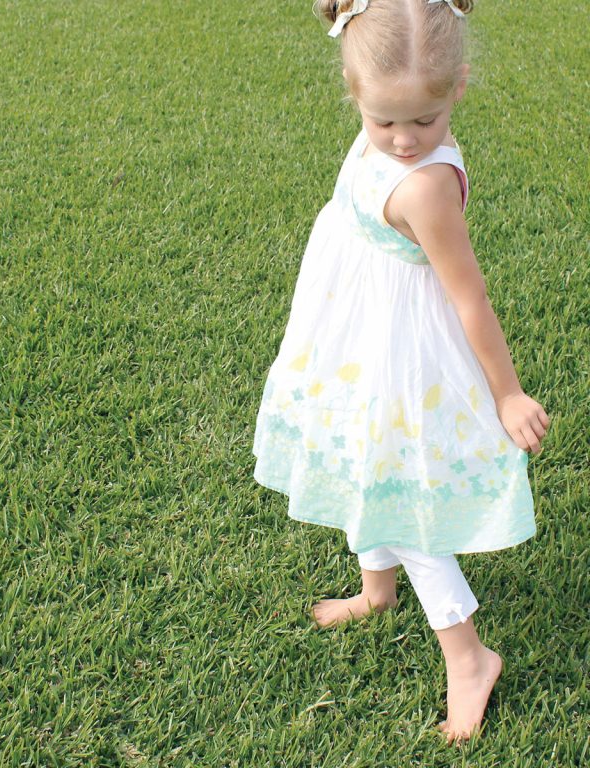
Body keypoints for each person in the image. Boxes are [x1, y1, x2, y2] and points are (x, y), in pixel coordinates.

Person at [251, 0, 551, 745]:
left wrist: (506, 393)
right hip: (355, 336)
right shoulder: (376, 142)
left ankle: (470, 656)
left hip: (404, 357)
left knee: (409, 506)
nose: (405, 139)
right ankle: (375, 590)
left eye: (426, 119)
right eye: (385, 120)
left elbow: (469, 297)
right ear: (351, 88)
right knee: (363, 462)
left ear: (460, 87)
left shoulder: (424, 186)